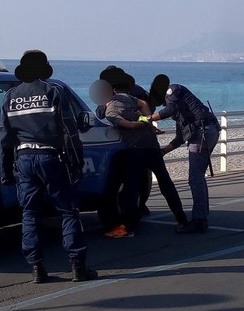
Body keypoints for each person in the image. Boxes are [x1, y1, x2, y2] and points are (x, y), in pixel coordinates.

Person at [0, 50, 97, 283]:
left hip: (23, 159)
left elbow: (5, 138)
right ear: (44, 69)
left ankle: (37, 269)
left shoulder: (10, 96)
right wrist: (76, 163)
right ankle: (77, 267)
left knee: (30, 214)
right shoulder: (54, 91)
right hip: (51, 158)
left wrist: (5, 171)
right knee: (68, 211)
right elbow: (69, 131)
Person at [95, 69, 188, 238]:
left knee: (131, 188)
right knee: (165, 183)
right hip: (151, 146)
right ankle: (182, 220)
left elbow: (118, 121)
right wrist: (148, 122)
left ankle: (128, 227)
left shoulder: (110, 107)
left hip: (134, 149)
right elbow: (146, 106)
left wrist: (137, 124)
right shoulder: (134, 95)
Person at [148, 74, 221, 233]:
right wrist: (163, 151)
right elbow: (180, 137)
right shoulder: (179, 111)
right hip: (208, 131)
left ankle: (199, 220)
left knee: (195, 177)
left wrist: (147, 118)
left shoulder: (174, 90)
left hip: (203, 132)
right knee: (198, 177)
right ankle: (201, 217)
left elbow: (169, 109)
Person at [96, 65, 154, 216]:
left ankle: (128, 212)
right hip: (145, 138)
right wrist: (145, 123)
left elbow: (101, 114)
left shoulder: (110, 93)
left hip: (124, 139)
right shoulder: (139, 90)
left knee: (125, 177)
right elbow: (149, 109)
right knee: (144, 174)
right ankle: (141, 205)